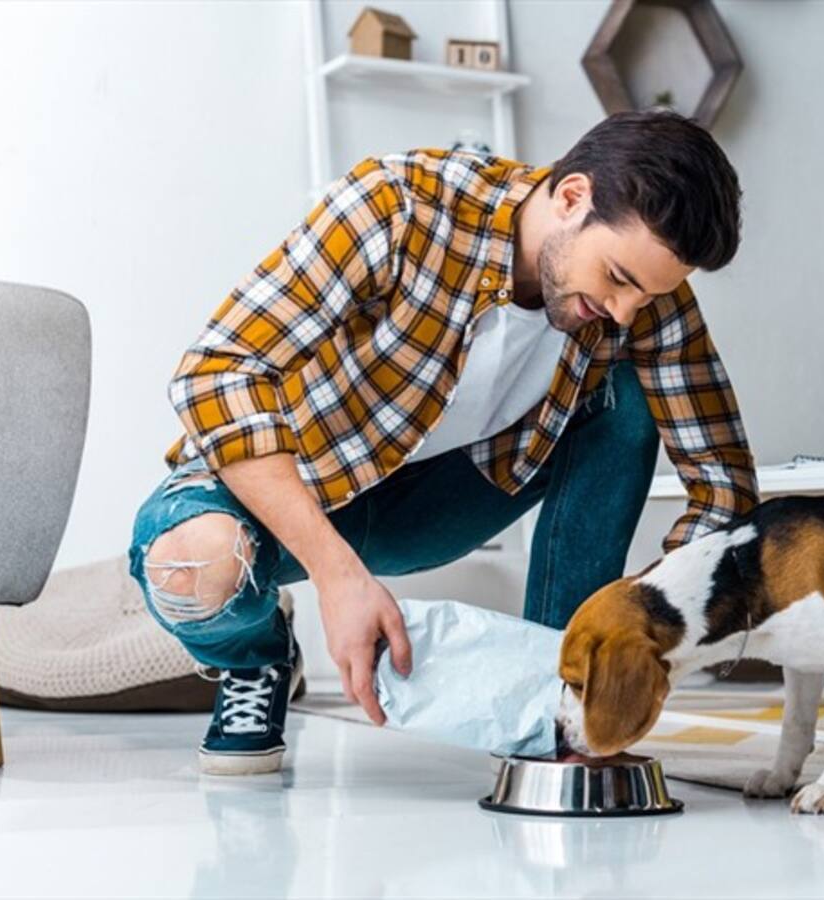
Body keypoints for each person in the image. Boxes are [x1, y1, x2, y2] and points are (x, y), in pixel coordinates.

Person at [127, 109, 758, 775]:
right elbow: (218, 373)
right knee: (189, 567)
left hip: (439, 503)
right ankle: (257, 659)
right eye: (619, 279)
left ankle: (561, 699)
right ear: (573, 197)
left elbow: (722, 482)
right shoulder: (397, 207)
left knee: (625, 400)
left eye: (648, 296)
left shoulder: (642, 302)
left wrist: (652, 623)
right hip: (304, 486)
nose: (626, 311)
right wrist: (338, 577)